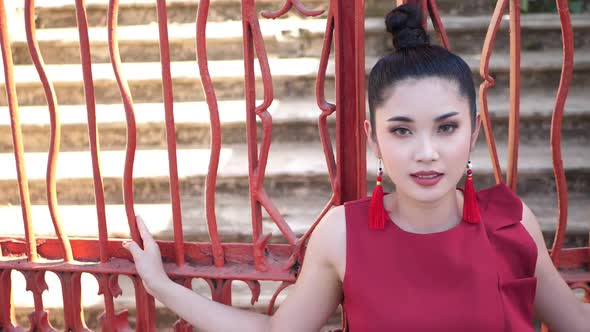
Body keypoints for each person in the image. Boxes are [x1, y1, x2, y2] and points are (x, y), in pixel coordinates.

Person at [122, 4, 590, 331]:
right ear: (372, 136)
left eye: (445, 129)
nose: (426, 152)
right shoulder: (343, 234)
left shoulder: (509, 222)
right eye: (402, 131)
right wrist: (160, 285)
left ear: (473, 130)